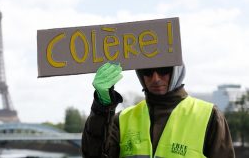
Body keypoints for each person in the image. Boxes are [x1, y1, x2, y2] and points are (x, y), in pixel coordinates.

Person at [82, 62, 235, 158]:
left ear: (177, 69)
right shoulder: (122, 120)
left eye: (163, 69)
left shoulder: (209, 116)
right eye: (147, 71)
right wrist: (102, 107)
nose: (155, 78)